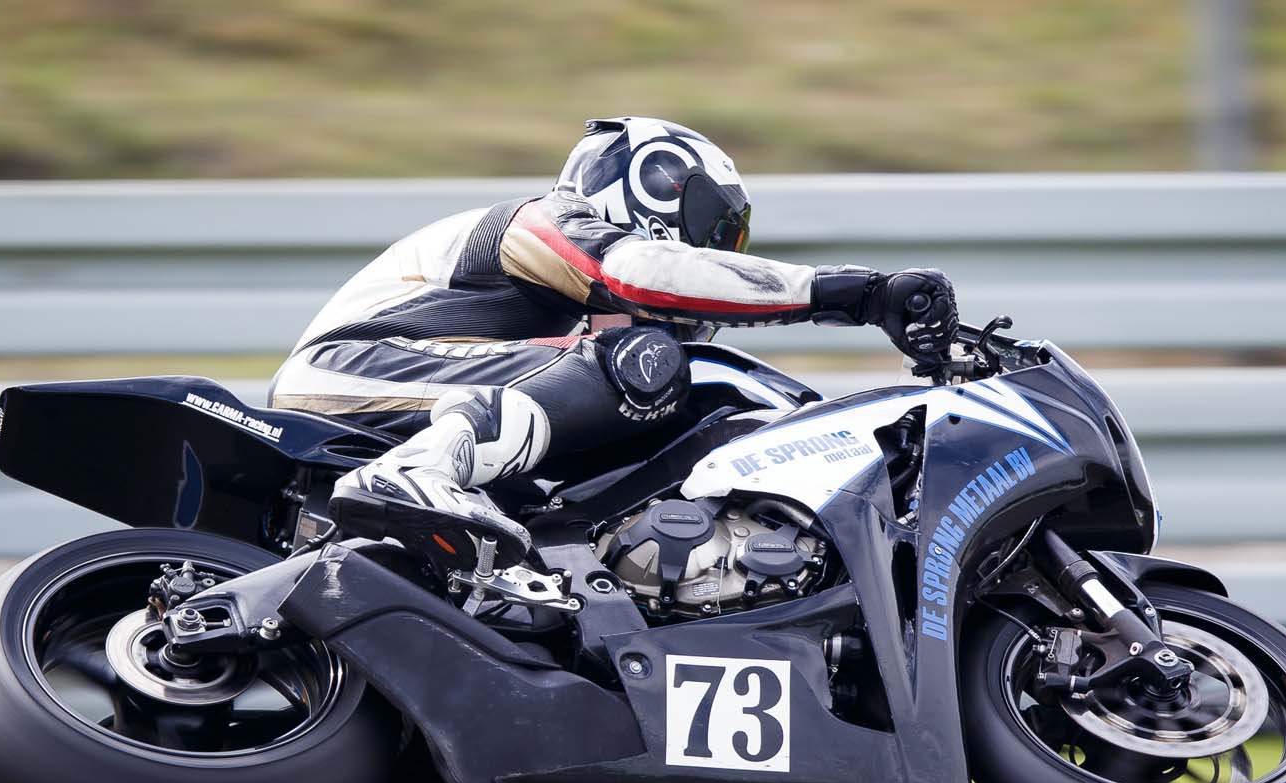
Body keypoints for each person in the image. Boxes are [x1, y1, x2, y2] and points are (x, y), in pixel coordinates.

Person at [270, 116, 957, 571]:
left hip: (414, 391)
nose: (712, 250)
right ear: (652, 180)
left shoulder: (567, 324)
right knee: (641, 368)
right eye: (708, 227)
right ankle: (419, 475)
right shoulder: (542, 220)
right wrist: (854, 293)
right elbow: (636, 271)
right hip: (351, 369)